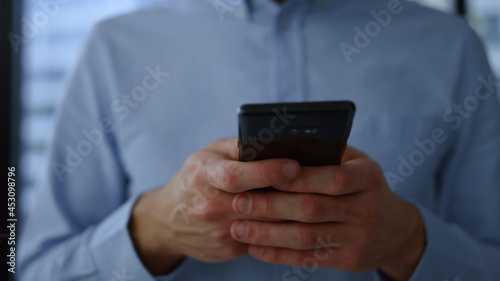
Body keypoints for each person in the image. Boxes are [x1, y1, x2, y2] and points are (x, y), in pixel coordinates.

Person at [19, 0, 500, 280]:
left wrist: (408, 243)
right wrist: (152, 232)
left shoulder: (449, 47)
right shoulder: (113, 48)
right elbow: (35, 269)